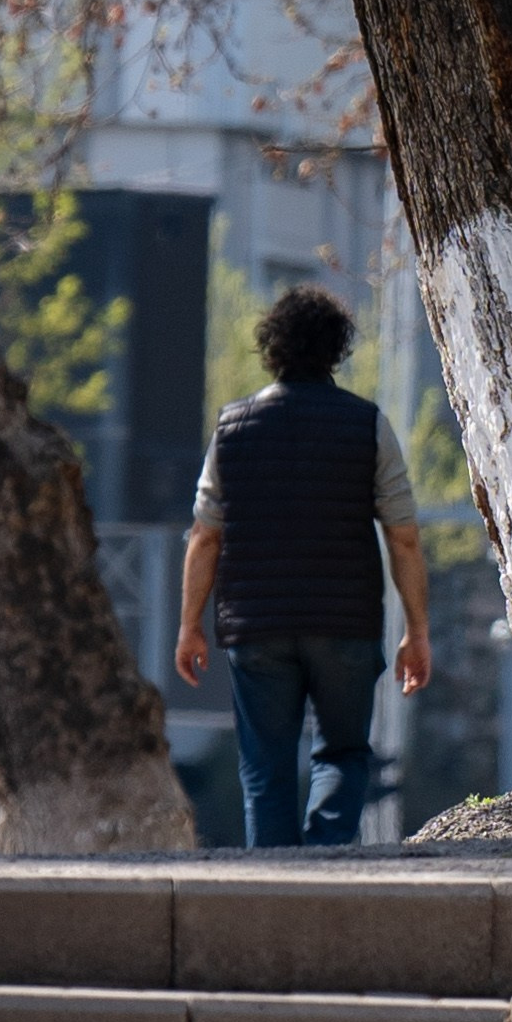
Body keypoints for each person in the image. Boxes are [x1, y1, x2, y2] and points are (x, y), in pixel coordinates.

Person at [175, 284, 432, 849]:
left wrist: (190, 623)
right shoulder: (367, 426)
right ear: (336, 350)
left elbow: (204, 536)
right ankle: (326, 864)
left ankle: (273, 886)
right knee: (342, 753)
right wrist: (417, 632)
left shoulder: (232, 428)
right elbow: (404, 538)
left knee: (264, 767)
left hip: (256, 626)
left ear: (272, 348)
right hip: (344, 625)